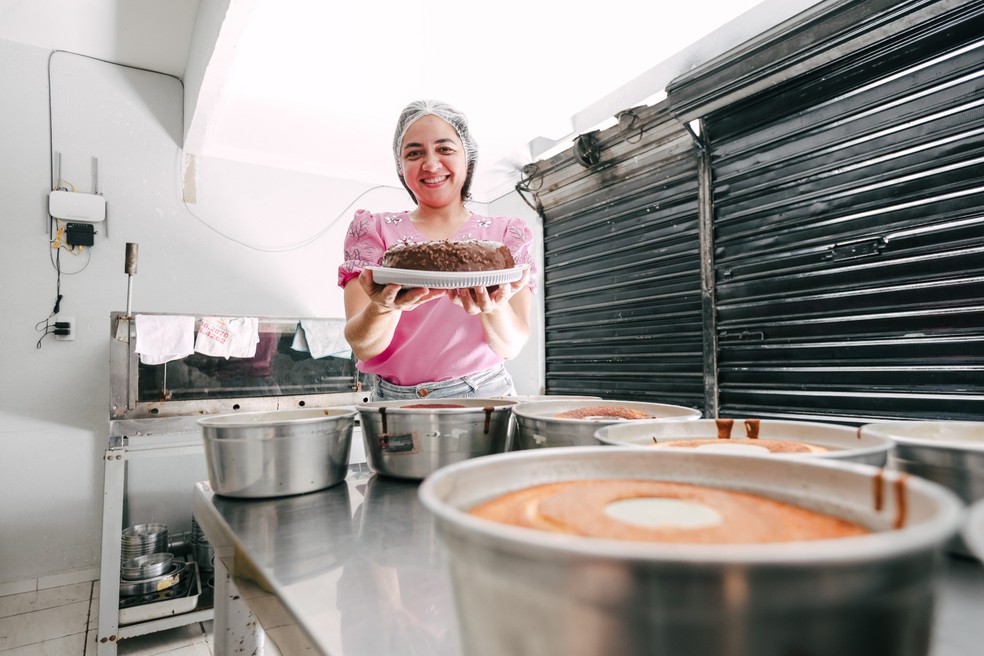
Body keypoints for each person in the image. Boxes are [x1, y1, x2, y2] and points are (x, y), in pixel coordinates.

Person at [337, 100, 537, 400]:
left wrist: (491, 306)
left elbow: (511, 345)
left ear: (467, 158)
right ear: (400, 166)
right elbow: (363, 346)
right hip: (394, 403)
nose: (430, 165)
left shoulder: (507, 236)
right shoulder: (373, 231)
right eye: (414, 153)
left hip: (483, 396)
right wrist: (384, 306)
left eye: (445, 149)